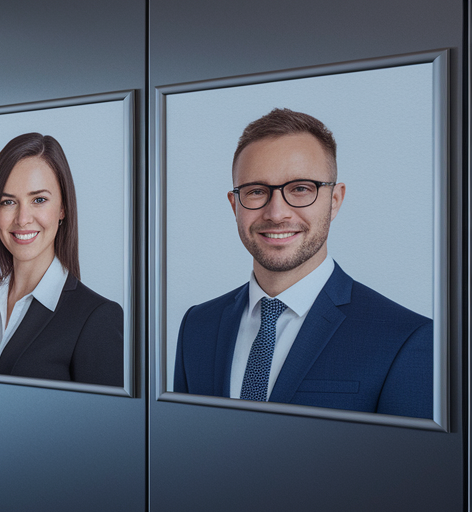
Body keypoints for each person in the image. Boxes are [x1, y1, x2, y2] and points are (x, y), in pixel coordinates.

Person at [174, 108, 431, 419]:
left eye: (300, 189)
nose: (276, 212)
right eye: (257, 191)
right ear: (235, 205)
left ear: (335, 200)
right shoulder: (197, 326)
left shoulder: (405, 338)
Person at [0, 133, 122, 385]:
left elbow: (103, 423)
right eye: (8, 201)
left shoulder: (97, 317)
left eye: (39, 200)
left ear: (63, 208)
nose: (22, 219)